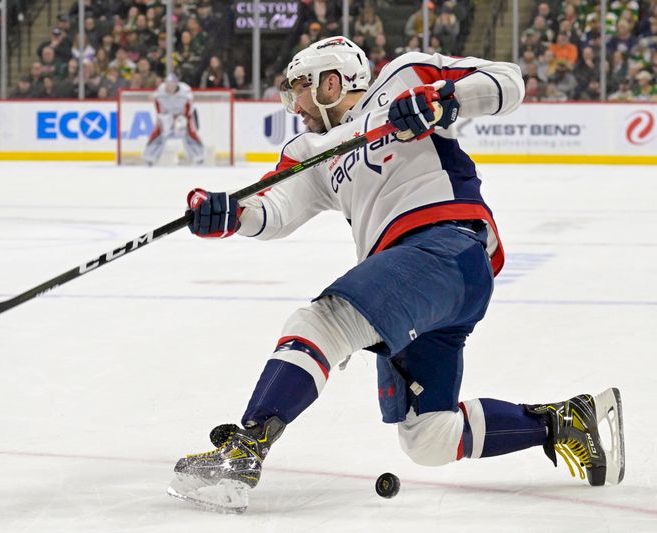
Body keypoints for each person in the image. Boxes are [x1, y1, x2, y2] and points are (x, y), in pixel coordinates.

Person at [167, 35, 625, 513]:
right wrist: (230, 215)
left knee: (324, 322)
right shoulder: (311, 149)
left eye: (299, 87)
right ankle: (566, 422)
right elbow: (274, 207)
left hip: (446, 247)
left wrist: (446, 100)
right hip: (423, 284)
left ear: (332, 81)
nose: (293, 102)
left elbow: (507, 81)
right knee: (429, 438)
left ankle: (245, 447)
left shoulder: (405, 75)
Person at [142, 73, 204, 166]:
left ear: (176, 84)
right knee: (158, 132)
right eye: (167, 84)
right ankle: (150, 156)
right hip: (166, 114)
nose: (169, 87)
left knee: (190, 132)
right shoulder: (160, 91)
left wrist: (183, 118)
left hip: (184, 114)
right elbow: (158, 105)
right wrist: (163, 118)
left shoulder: (185, 92)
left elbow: (189, 107)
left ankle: (198, 156)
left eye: (172, 85)